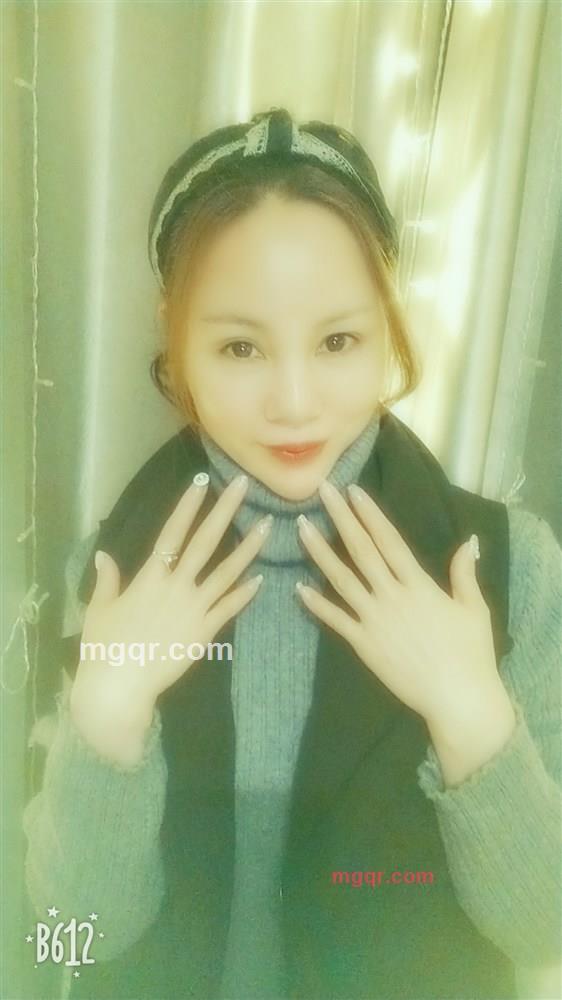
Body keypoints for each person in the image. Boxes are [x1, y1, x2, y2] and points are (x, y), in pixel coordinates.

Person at [23, 107, 562, 1000]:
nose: (294, 401)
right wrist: (109, 710)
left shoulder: (511, 568)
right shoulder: (119, 572)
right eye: (240, 346)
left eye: (338, 341)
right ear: (175, 337)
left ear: (387, 323)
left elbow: (545, 927)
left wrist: (469, 710)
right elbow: (74, 935)